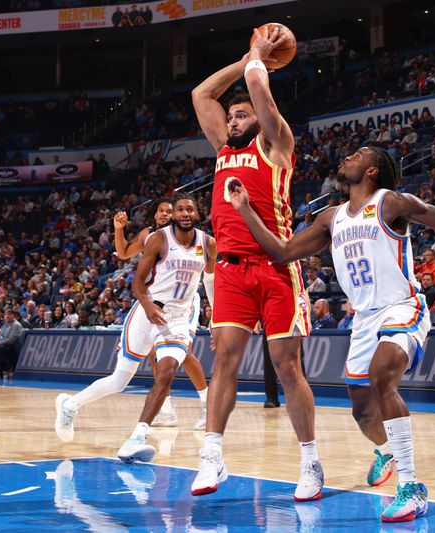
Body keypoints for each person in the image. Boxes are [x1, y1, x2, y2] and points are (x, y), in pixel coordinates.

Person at [229, 144, 435, 521]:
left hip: (402, 306)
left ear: (373, 171)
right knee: (362, 411)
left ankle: (412, 487)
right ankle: (386, 450)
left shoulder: (392, 203)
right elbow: (282, 252)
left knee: (383, 378)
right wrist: (245, 208)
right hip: (363, 319)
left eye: (359, 154)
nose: (347, 155)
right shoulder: (331, 218)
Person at [190, 27, 317, 500]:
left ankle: (310, 462)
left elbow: (261, 92)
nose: (235, 119)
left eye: (242, 114)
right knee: (224, 359)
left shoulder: (276, 142)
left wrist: (259, 64)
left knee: (287, 367)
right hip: (230, 271)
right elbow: (202, 93)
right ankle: (211, 456)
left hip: (275, 267)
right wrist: (247, 57)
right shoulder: (224, 150)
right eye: (233, 115)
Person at [57, 195, 216, 461]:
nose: (183, 213)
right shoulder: (155, 238)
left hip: (178, 316)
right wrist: (147, 304)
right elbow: (137, 282)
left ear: (197, 214)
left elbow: (210, 280)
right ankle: (70, 405)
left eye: (190, 209)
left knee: (166, 372)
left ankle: (137, 437)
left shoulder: (208, 243)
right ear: (171, 215)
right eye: (178, 209)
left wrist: (216, 315)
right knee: (120, 380)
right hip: (147, 310)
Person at [113, 198, 209, 428]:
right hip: (154, 299)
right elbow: (124, 252)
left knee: (183, 353)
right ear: (155, 216)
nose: (166, 214)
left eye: (169, 211)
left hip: (184, 301)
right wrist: (119, 229)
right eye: (162, 211)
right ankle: (166, 410)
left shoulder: (188, 237)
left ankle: (207, 404)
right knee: (154, 355)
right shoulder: (150, 235)